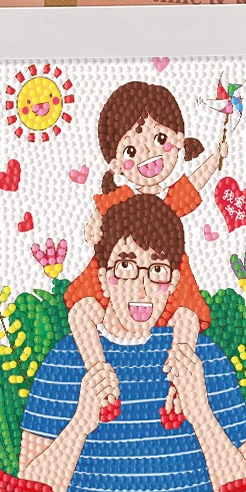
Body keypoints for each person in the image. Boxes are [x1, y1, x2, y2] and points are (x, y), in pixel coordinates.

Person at [19, 194, 246, 492]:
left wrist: (201, 412)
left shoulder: (203, 360)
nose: (141, 288)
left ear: (173, 282)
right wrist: (80, 423)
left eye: (156, 269)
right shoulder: (65, 360)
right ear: (103, 277)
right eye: (126, 266)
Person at [63, 81, 228, 427]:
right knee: (82, 311)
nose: (149, 155)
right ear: (115, 164)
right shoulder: (119, 200)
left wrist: (215, 159)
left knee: (186, 319)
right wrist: (94, 226)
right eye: (131, 149)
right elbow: (98, 218)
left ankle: (178, 385)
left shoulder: (171, 201)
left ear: (179, 140)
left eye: (160, 138)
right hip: (117, 273)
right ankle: (98, 371)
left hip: (164, 273)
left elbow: (194, 183)